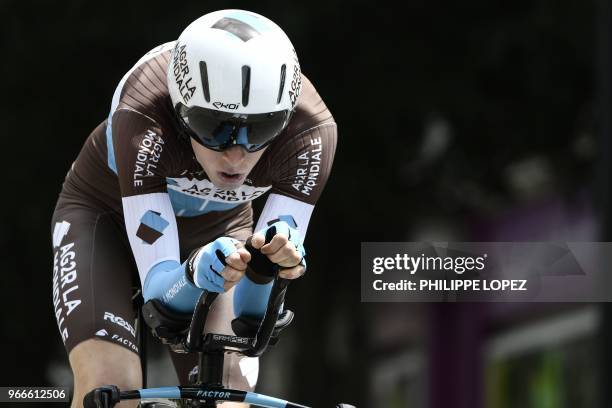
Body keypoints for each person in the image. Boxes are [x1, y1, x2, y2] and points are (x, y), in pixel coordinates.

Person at [50, 9, 337, 408]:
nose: (236, 154)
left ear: (285, 119)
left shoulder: (310, 132)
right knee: (112, 389)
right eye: (212, 125)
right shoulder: (144, 109)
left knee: (230, 393)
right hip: (105, 215)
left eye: (261, 128)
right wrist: (191, 273)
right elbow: (161, 300)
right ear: (179, 111)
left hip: (221, 231)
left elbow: (250, 322)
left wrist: (267, 269)